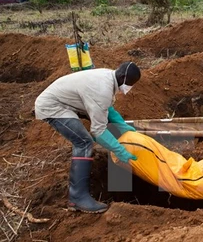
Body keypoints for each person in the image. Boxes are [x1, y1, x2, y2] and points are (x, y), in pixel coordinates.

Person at [35, 62, 142, 214]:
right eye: (130, 84)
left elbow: (107, 109)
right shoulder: (102, 89)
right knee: (84, 142)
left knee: (85, 139)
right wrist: (120, 151)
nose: (129, 87)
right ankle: (78, 198)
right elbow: (98, 131)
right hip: (53, 106)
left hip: (67, 101)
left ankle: (78, 196)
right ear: (123, 77)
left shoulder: (108, 77)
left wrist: (122, 125)